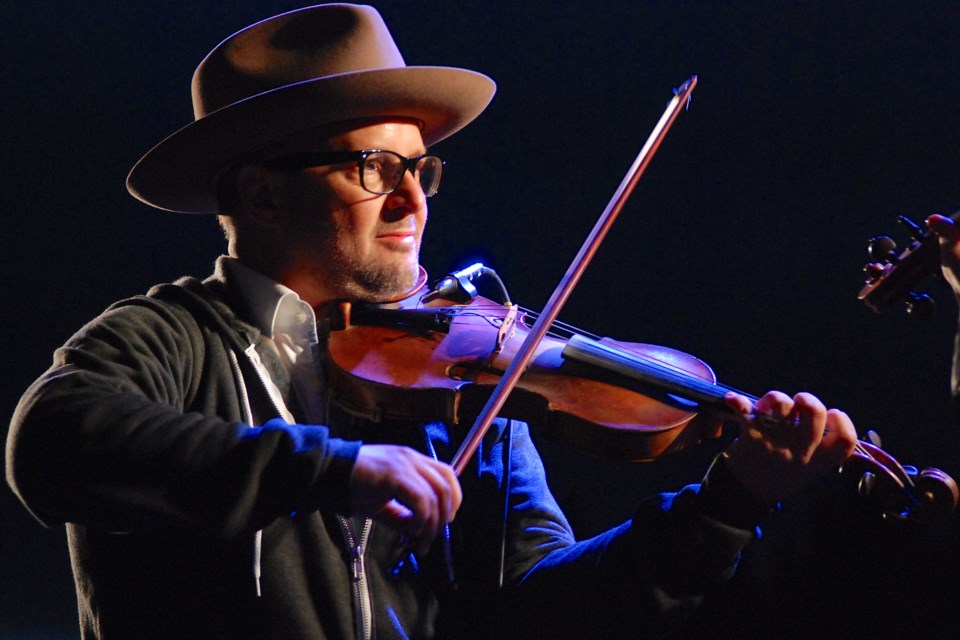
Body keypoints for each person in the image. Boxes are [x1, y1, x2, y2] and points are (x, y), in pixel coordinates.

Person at [5, 5, 857, 639]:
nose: (413, 199)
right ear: (264, 193)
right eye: (375, 167)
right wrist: (335, 468)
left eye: (420, 168)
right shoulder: (172, 336)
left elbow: (541, 608)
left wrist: (728, 506)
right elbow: (51, 437)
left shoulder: (457, 377)